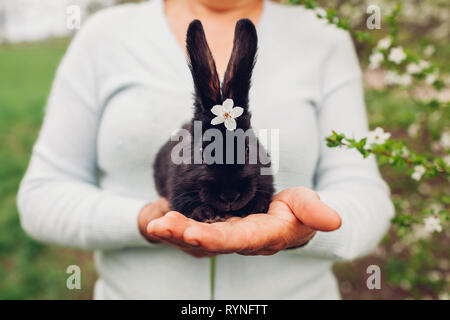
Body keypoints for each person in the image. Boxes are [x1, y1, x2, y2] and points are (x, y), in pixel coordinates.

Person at [17, 0, 394, 299]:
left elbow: (366, 197)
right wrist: (144, 220)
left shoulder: (323, 38)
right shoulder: (104, 36)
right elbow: (41, 196)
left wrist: (307, 227)